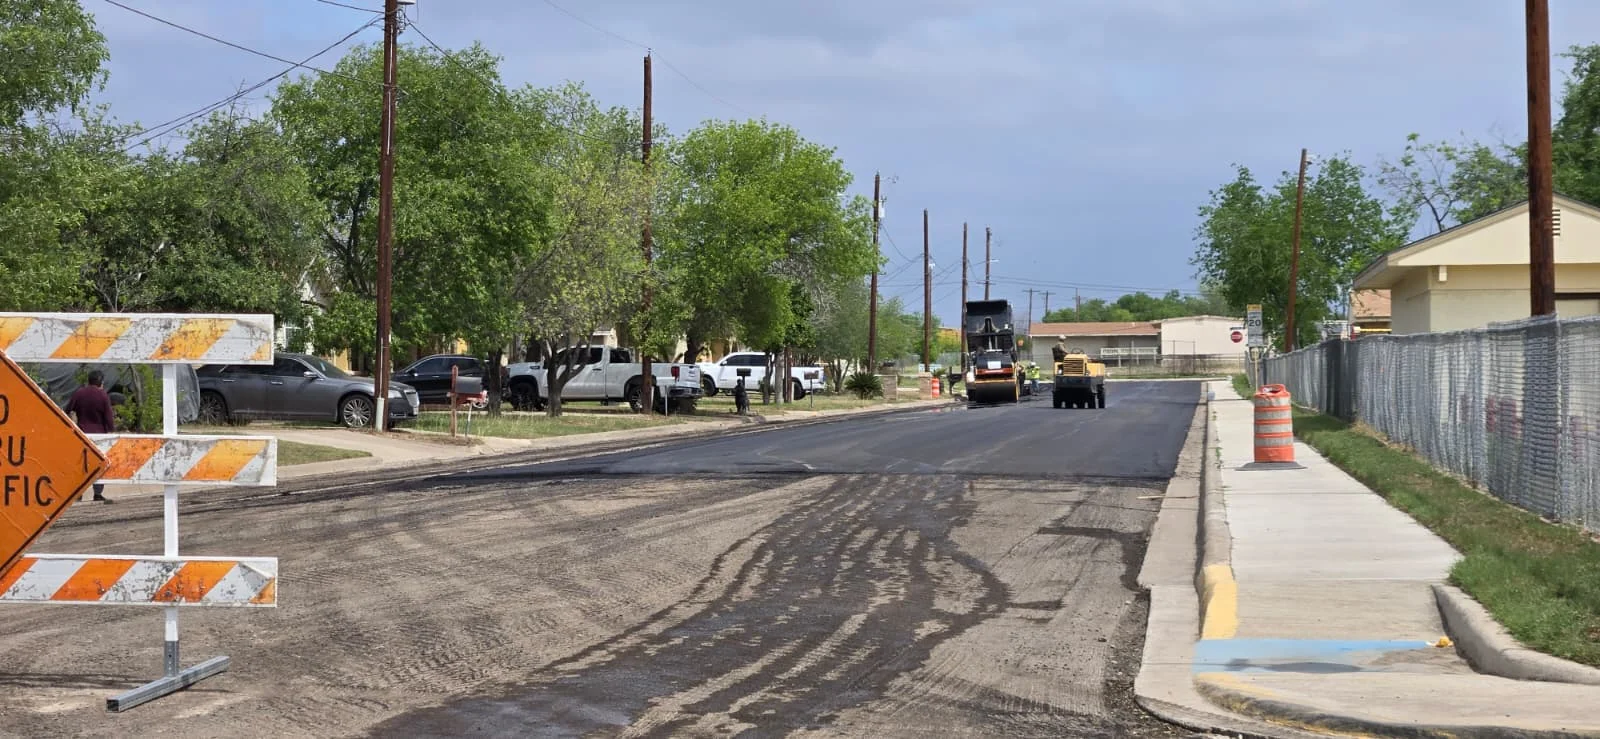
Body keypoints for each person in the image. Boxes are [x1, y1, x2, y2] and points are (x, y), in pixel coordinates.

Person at [64, 370, 115, 504]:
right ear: (101, 382)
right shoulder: (103, 396)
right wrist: (111, 430)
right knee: (99, 464)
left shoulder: (79, 393)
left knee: (81, 464)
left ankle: (79, 494)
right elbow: (108, 417)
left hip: (82, 434)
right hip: (99, 434)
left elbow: (67, 409)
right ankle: (97, 493)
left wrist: (72, 425)